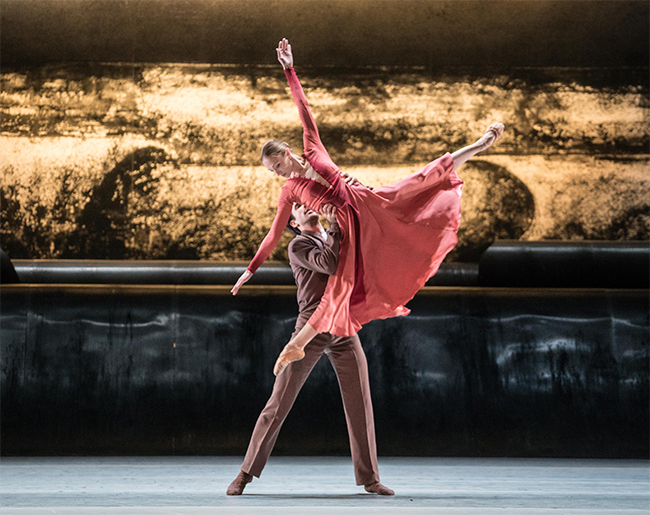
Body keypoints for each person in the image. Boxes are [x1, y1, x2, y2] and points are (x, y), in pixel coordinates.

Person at [232, 38, 504, 376]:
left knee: (420, 183)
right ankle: (297, 344)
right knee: (340, 288)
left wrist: (289, 69)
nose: (278, 174)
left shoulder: (312, 147)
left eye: (278, 165)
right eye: (273, 172)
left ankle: (478, 145)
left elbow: (303, 107)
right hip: (347, 227)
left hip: (366, 201)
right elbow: (274, 233)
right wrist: (250, 269)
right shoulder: (289, 191)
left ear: (287, 152)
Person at [227, 202, 394, 496]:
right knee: (279, 401)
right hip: (311, 327)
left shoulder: (330, 235)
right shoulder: (298, 245)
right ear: (293, 222)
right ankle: (244, 474)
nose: (305, 205)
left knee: (360, 402)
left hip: (342, 324)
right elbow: (329, 264)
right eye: (298, 207)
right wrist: (334, 226)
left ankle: (370, 479)